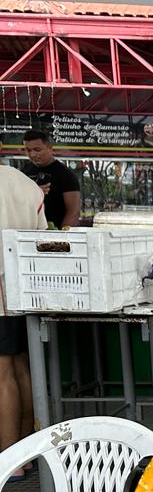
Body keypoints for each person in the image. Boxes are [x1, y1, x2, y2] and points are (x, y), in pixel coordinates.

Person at [0, 167, 46, 471]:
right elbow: (42, 238)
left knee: (1, 374)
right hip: (26, 285)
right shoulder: (26, 183)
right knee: (21, 367)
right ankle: (27, 452)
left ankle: (10, 461)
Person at [20, 129, 80, 229]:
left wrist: (63, 238)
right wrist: (34, 192)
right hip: (28, 231)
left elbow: (73, 212)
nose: (32, 154)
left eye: (37, 150)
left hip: (55, 231)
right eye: (28, 150)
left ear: (50, 148)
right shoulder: (24, 171)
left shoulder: (65, 174)